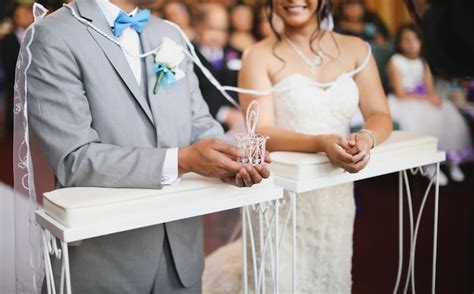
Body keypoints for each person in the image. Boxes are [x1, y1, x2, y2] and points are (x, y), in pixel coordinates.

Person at [26, 0, 270, 292]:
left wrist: (231, 159)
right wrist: (183, 160)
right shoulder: (53, 34)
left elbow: (202, 126)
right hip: (105, 260)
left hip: (181, 261)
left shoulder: (170, 34)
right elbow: (74, 159)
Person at [204, 0, 392, 292]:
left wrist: (366, 138)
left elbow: (380, 114)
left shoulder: (357, 49)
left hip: (334, 196)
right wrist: (320, 142)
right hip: (279, 195)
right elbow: (260, 130)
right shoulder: (258, 55)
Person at [386, 24, 472, 185]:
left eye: (415, 39)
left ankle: (452, 160)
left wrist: (434, 98)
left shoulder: (423, 61)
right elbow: (400, 92)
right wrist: (425, 99)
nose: (411, 43)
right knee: (423, 120)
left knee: (448, 113)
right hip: (404, 101)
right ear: (399, 43)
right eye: (406, 40)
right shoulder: (395, 61)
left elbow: (429, 87)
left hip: (422, 98)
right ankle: (430, 164)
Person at [193, 3, 244, 133]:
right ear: (198, 26)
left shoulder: (237, 53)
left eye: (222, 30)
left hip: (241, 123)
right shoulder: (189, 57)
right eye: (211, 29)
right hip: (203, 127)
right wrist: (223, 113)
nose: (217, 36)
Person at [0, 1, 34, 137]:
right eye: (20, 14)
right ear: (14, 18)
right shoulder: (6, 40)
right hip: (13, 85)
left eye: (27, 13)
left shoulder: (37, 36)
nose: (25, 17)